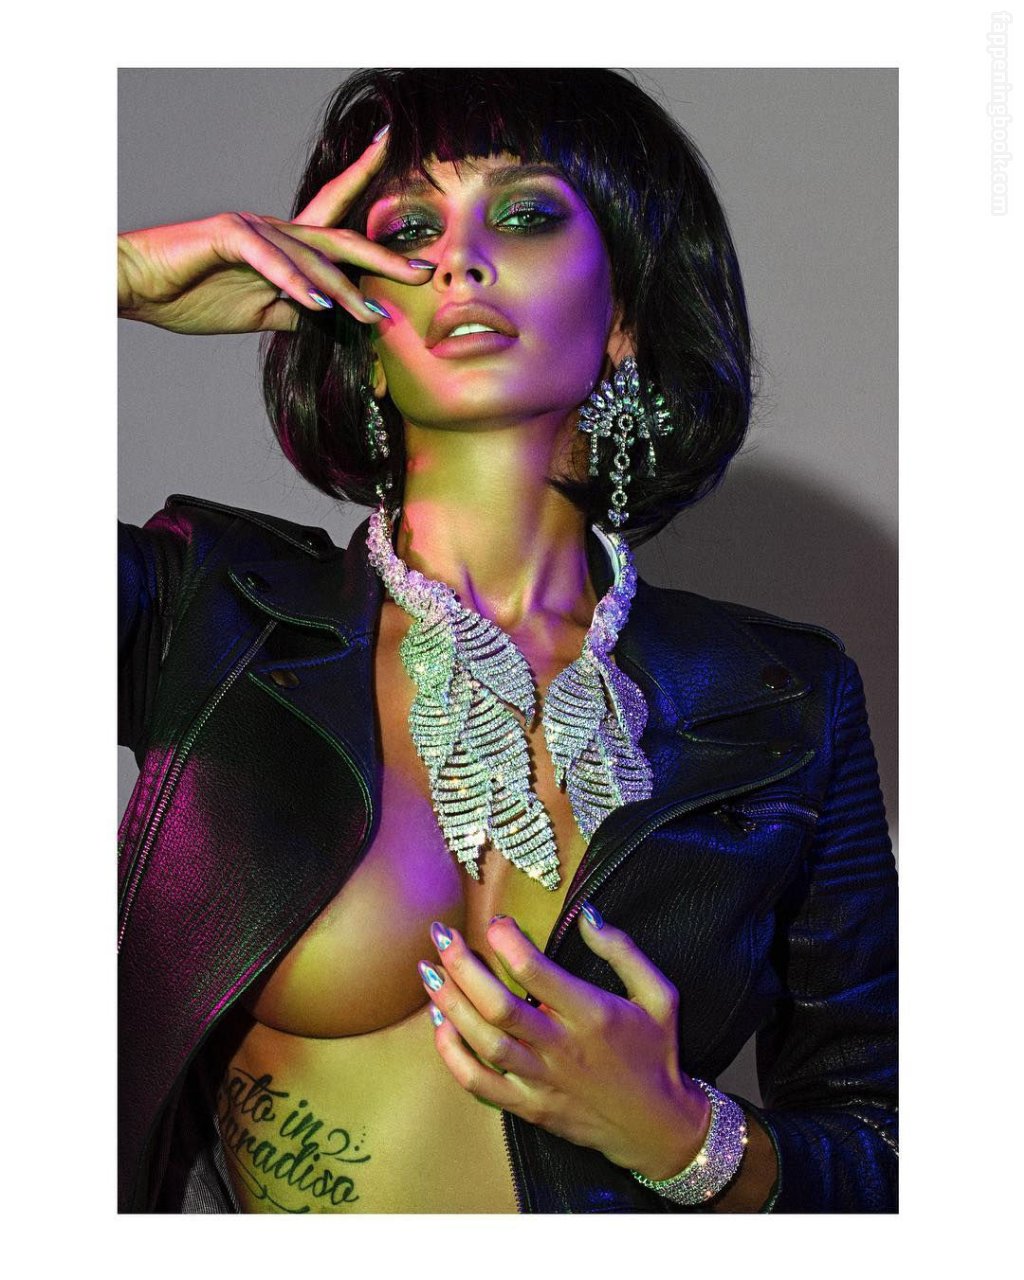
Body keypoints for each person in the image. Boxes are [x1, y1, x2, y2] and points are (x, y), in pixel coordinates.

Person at [117, 67, 897, 1214]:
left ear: (624, 315)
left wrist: (688, 1136)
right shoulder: (203, 608)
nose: (457, 259)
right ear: (355, 324)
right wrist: (113, 277)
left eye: (525, 213)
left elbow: (892, 1143)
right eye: (409, 230)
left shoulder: (785, 698)